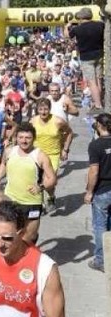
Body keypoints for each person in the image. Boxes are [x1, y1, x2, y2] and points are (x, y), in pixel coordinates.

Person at [0, 122, 57, 243]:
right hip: (10, 200)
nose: (24, 141)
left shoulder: (40, 156)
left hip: (31, 202)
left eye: (28, 138)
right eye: (20, 137)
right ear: (16, 138)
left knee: (29, 237)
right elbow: (3, 165)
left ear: (34, 138)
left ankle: (30, 256)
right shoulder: (9, 151)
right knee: (10, 235)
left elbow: (52, 178)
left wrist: (40, 187)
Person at [31, 98, 73, 212]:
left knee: (49, 180)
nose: (43, 112)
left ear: (50, 109)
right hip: (37, 154)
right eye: (40, 109)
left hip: (52, 154)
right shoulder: (33, 121)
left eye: (46, 109)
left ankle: (50, 197)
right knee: (36, 179)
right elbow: (27, 135)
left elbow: (69, 132)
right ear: (37, 110)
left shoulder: (58, 121)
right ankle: (40, 202)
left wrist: (65, 149)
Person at [84, 113, 111, 272]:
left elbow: (94, 171)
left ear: (100, 125)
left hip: (102, 191)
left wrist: (89, 192)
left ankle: (101, 260)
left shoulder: (95, 145)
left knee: (100, 226)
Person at [67, 7, 104, 112]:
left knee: (92, 82)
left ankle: (98, 105)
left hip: (86, 57)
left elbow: (67, 36)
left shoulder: (77, 29)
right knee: (98, 80)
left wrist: (66, 27)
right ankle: (98, 100)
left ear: (81, 17)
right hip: (99, 55)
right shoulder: (100, 25)